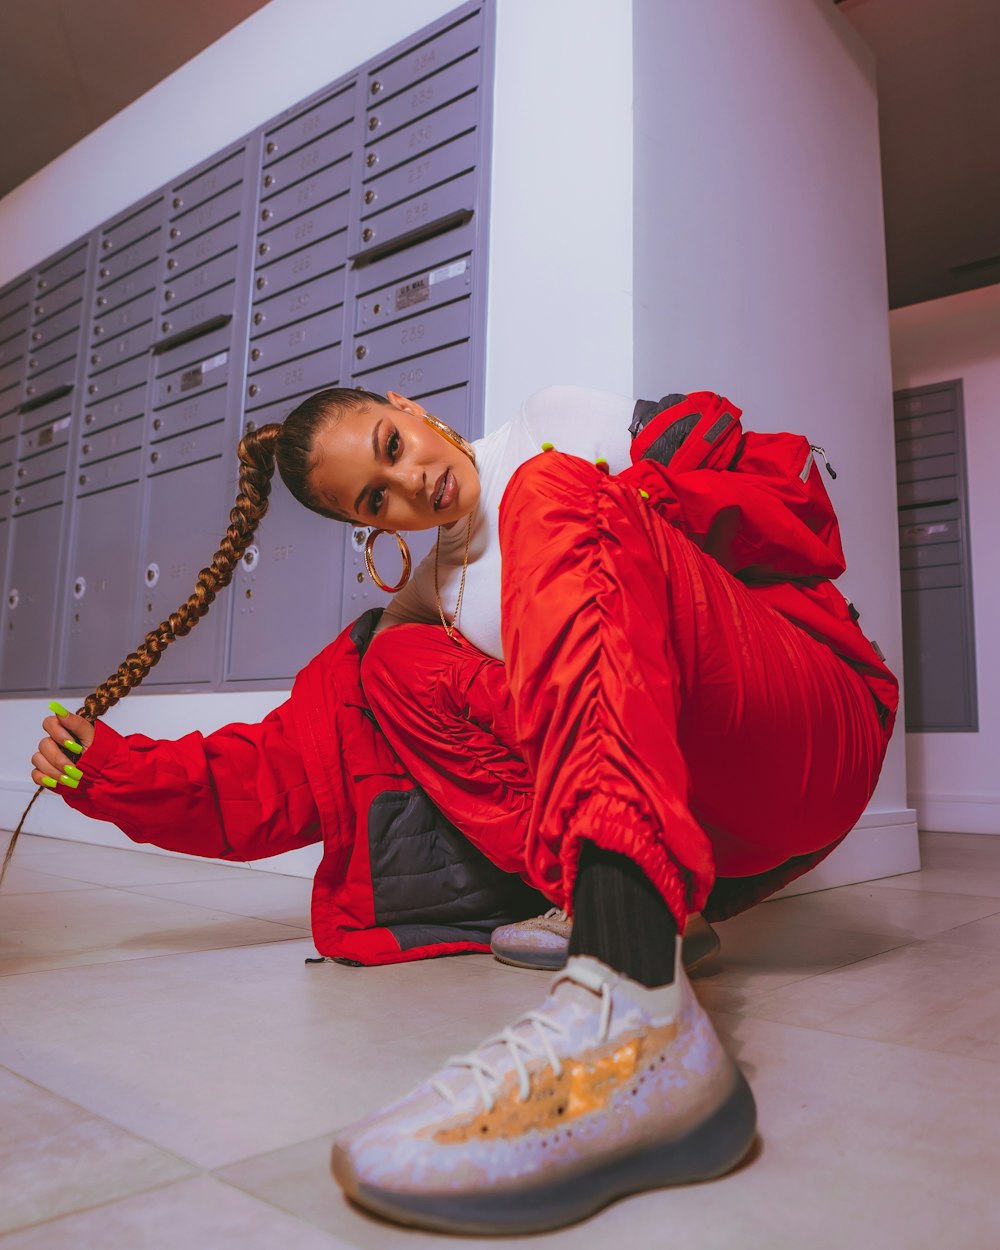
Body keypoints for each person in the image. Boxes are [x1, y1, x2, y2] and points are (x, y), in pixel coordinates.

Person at [24, 383, 897, 1234]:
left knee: (548, 492)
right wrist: (108, 773)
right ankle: (637, 901)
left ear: (408, 410)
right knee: (391, 664)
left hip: (807, 721)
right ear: (370, 528)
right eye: (376, 498)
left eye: (391, 448)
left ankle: (631, 1000)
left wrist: (641, 494)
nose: (410, 485)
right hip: (708, 822)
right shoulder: (429, 603)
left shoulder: (553, 426)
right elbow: (291, 768)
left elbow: (781, 502)